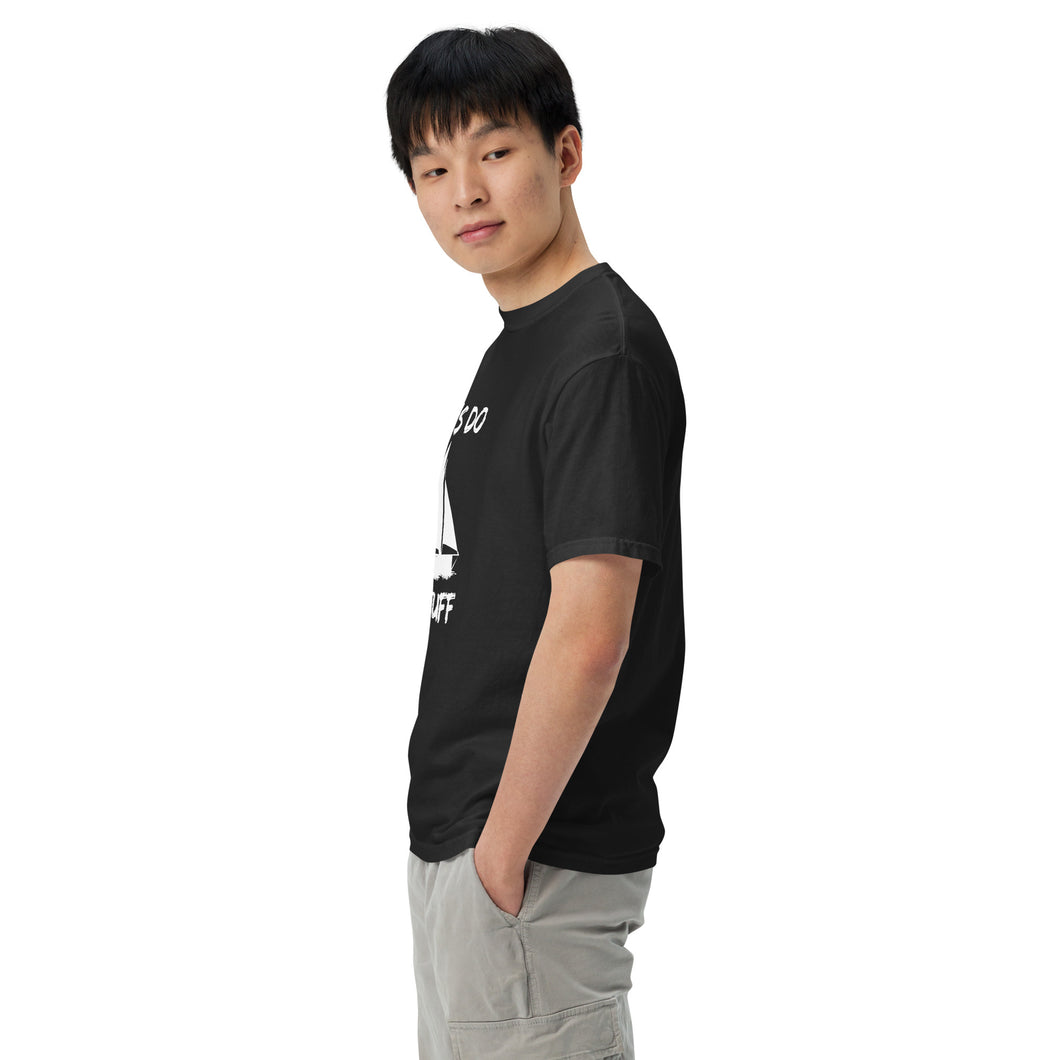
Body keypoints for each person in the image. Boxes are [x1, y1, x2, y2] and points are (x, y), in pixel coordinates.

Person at [387, 26, 686, 1059]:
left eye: (494, 150)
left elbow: (591, 633)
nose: (465, 190)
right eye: (432, 168)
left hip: (532, 863)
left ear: (566, 152)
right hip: (476, 856)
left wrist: (500, 857)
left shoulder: (599, 350)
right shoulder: (522, 347)